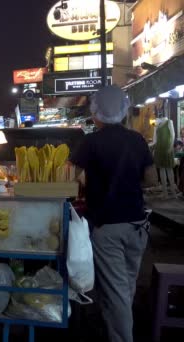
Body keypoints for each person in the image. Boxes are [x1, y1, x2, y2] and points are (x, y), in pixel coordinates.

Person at [70, 86, 157, 342]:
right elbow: (150, 179)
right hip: (138, 225)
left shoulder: (91, 141)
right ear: (123, 111)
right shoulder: (137, 139)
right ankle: (116, 329)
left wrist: (92, 181)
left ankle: (121, 336)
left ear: (97, 112)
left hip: (108, 228)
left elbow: (69, 177)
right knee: (125, 287)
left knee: (117, 291)